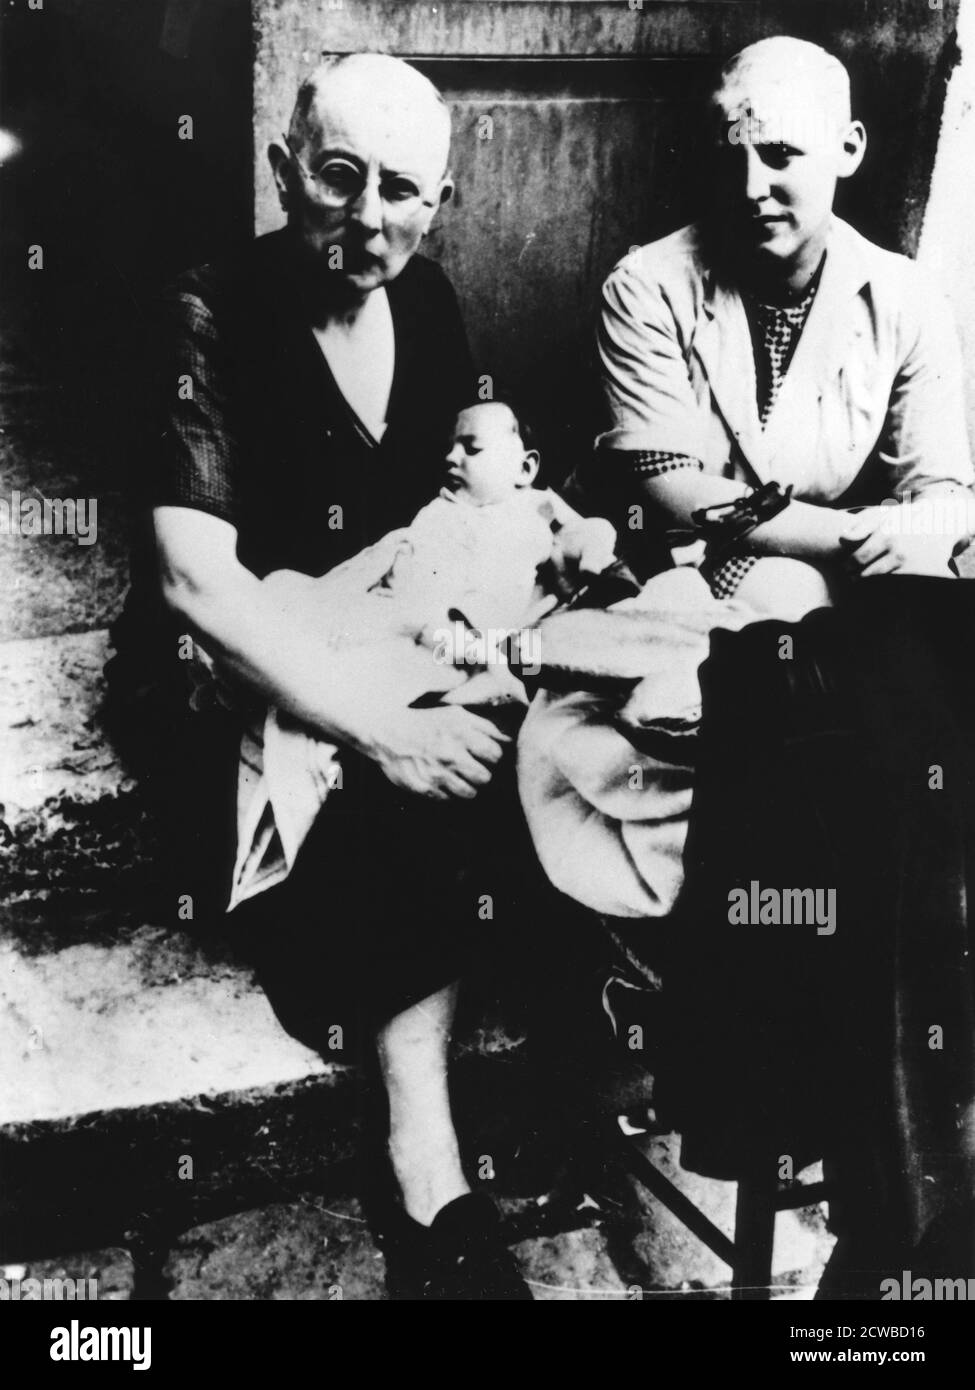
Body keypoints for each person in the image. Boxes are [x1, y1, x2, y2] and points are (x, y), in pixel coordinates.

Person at [126, 52, 598, 1301]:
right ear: (288, 172)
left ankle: (556, 1064)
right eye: (339, 179)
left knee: (527, 722)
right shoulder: (210, 308)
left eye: (402, 190)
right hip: (234, 666)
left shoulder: (430, 303)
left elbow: (436, 532)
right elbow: (194, 584)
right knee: (411, 785)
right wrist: (380, 721)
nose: (369, 217)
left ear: (437, 201)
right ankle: (428, 1169)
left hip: (381, 634)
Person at [580, 35, 974, 607]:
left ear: (848, 149)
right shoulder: (647, 284)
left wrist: (921, 531)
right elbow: (668, 490)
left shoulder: (908, 297)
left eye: (780, 154)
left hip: (824, 566)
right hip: (661, 562)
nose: (750, 188)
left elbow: (940, 487)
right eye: (730, 154)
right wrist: (862, 535)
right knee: (785, 606)